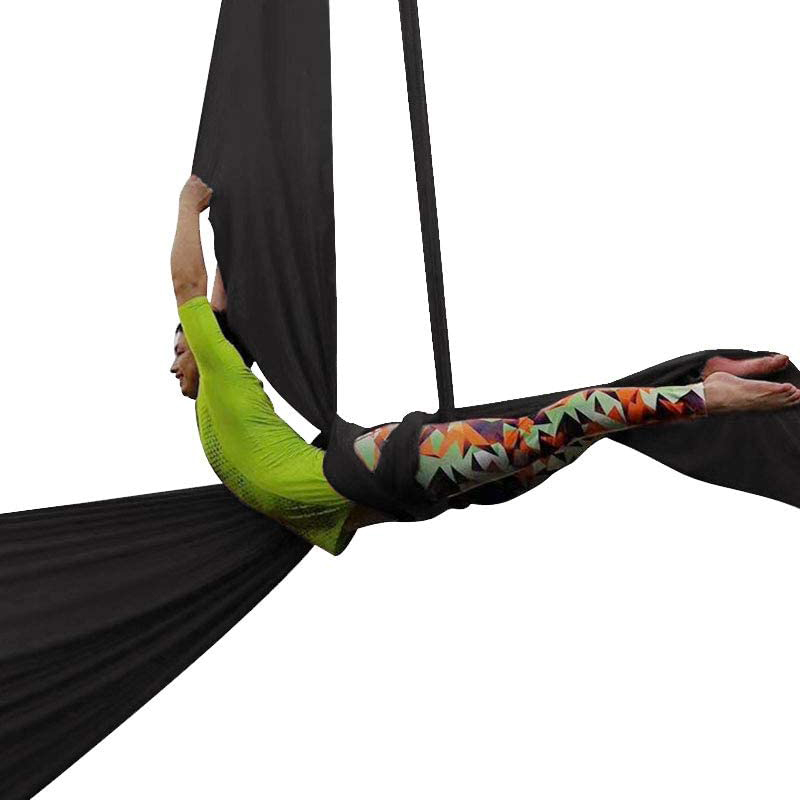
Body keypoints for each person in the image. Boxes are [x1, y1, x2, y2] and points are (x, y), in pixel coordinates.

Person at [170, 175, 800, 549]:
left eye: (180, 347)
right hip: (414, 495)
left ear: (209, 345)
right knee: (580, 428)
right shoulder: (216, 422)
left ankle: (707, 395)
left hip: (384, 464)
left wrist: (192, 205)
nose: (174, 365)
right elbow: (227, 297)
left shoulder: (222, 376)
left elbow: (194, 290)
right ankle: (697, 380)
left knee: (575, 417)